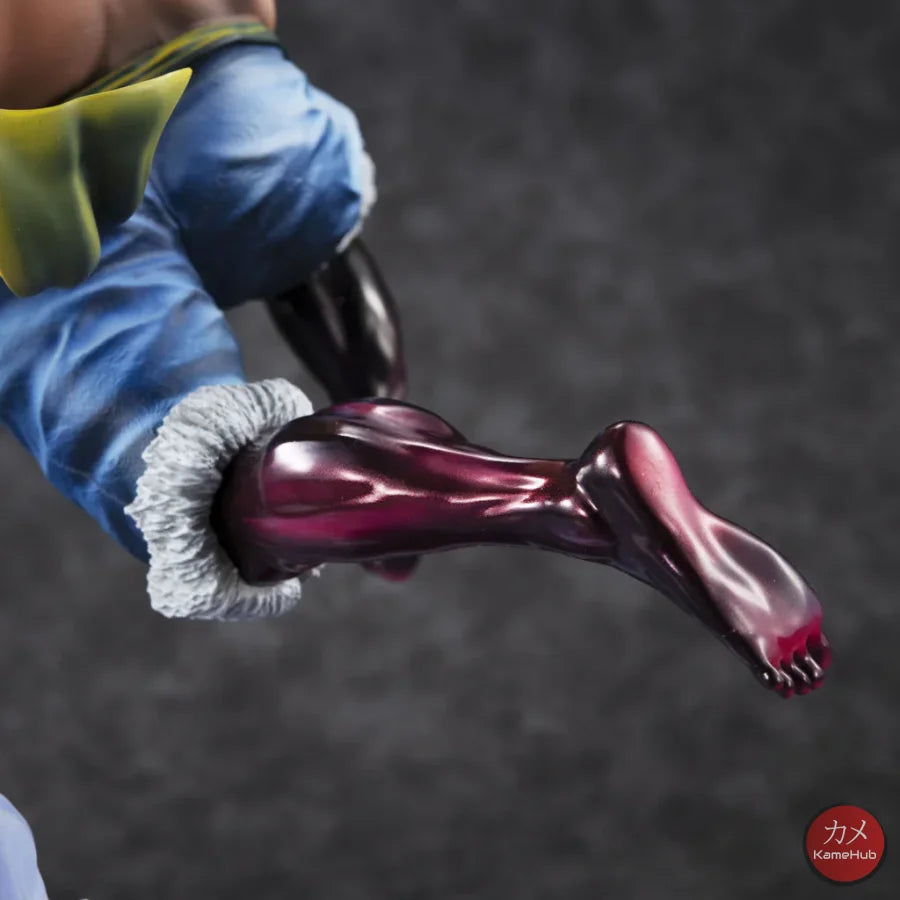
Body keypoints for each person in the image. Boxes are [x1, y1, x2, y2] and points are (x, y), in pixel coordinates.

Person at [0, 0, 830, 698]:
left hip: (47, 181)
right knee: (303, 246)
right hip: (238, 89)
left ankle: (564, 502)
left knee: (209, 494)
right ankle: (388, 483)